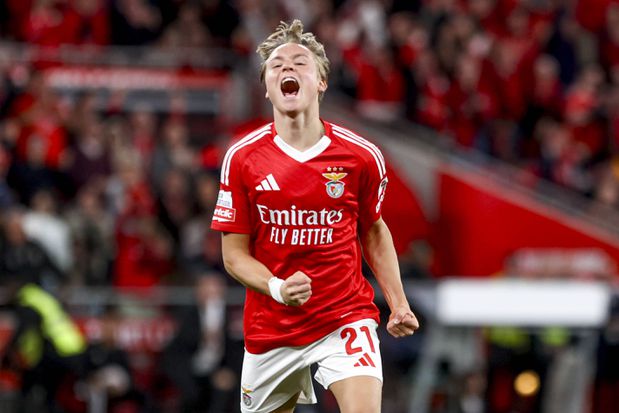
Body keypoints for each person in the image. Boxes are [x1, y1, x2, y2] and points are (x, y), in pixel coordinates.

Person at [210, 19, 419, 413]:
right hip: (273, 326)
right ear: (267, 86)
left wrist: (398, 303)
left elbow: (373, 230)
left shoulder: (361, 156)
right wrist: (277, 288)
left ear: (321, 82)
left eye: (299, 63)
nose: (287, 68)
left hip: (344, 317)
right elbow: (234, 255)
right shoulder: (242, 158)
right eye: (276, 65)